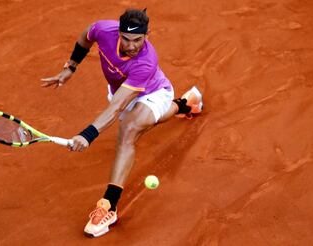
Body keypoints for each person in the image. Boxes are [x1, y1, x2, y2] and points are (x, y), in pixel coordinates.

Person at [41, 8, 203, 237]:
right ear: (118, 33)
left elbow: (116, 106)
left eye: (138, 40)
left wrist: (87, 135)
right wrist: (70, 68)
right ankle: (186, 102)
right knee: (141, 123)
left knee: (130, 129)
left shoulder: (146, 61)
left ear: (147, 36)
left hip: (154, 92)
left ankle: (108, 206)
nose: (132, 46)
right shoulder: (103, 30)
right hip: (122, 91)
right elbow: (84, 38)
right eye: (126, 39)